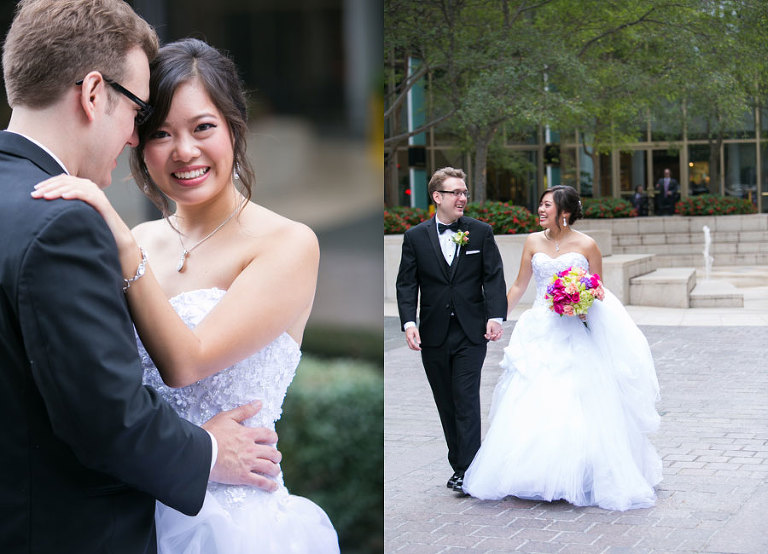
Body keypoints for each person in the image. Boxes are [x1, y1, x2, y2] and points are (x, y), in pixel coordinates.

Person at [32, 37, 339, 553]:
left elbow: (186, 363)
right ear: (137, 141)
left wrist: (121, 243)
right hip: (127, 510)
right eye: (160, 133)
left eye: (203, 128)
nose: (184, 152)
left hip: (234, 525)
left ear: (235, 127)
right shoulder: (143, 239)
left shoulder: (287, 243)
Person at [0, 2, 283, 552]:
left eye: (203, 127)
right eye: (140, 114)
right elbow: (105, 417)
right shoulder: (64, 224)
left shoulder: (284, 243)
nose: (134, 136)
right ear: (92, 93)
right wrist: (210, 452)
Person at [462, 185, 662, 511]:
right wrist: (497, 318)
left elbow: (598, 290)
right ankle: (532, 473)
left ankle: (579, 474)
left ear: (564, 212)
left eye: (547, 205)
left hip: (573, 333)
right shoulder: (532, 241)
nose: (540, 210)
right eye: (540, 204)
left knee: (577, 398)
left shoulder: (587, 245)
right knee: (533, 397)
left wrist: (581, 301)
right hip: (538, 329)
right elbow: (519, 285)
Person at [395, 167, 507, 493]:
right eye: (455, 192)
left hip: (472, 332)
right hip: (433, 333)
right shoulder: (415, 237)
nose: (462, 198)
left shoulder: (480, 232)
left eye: (464, 192)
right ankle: (460, 463)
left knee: (466, 398)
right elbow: (406, 284)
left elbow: (493, 277)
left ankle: (468, 471)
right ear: (437, 196)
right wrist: (409, 322)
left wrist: (495, 316)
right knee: (446, 402)